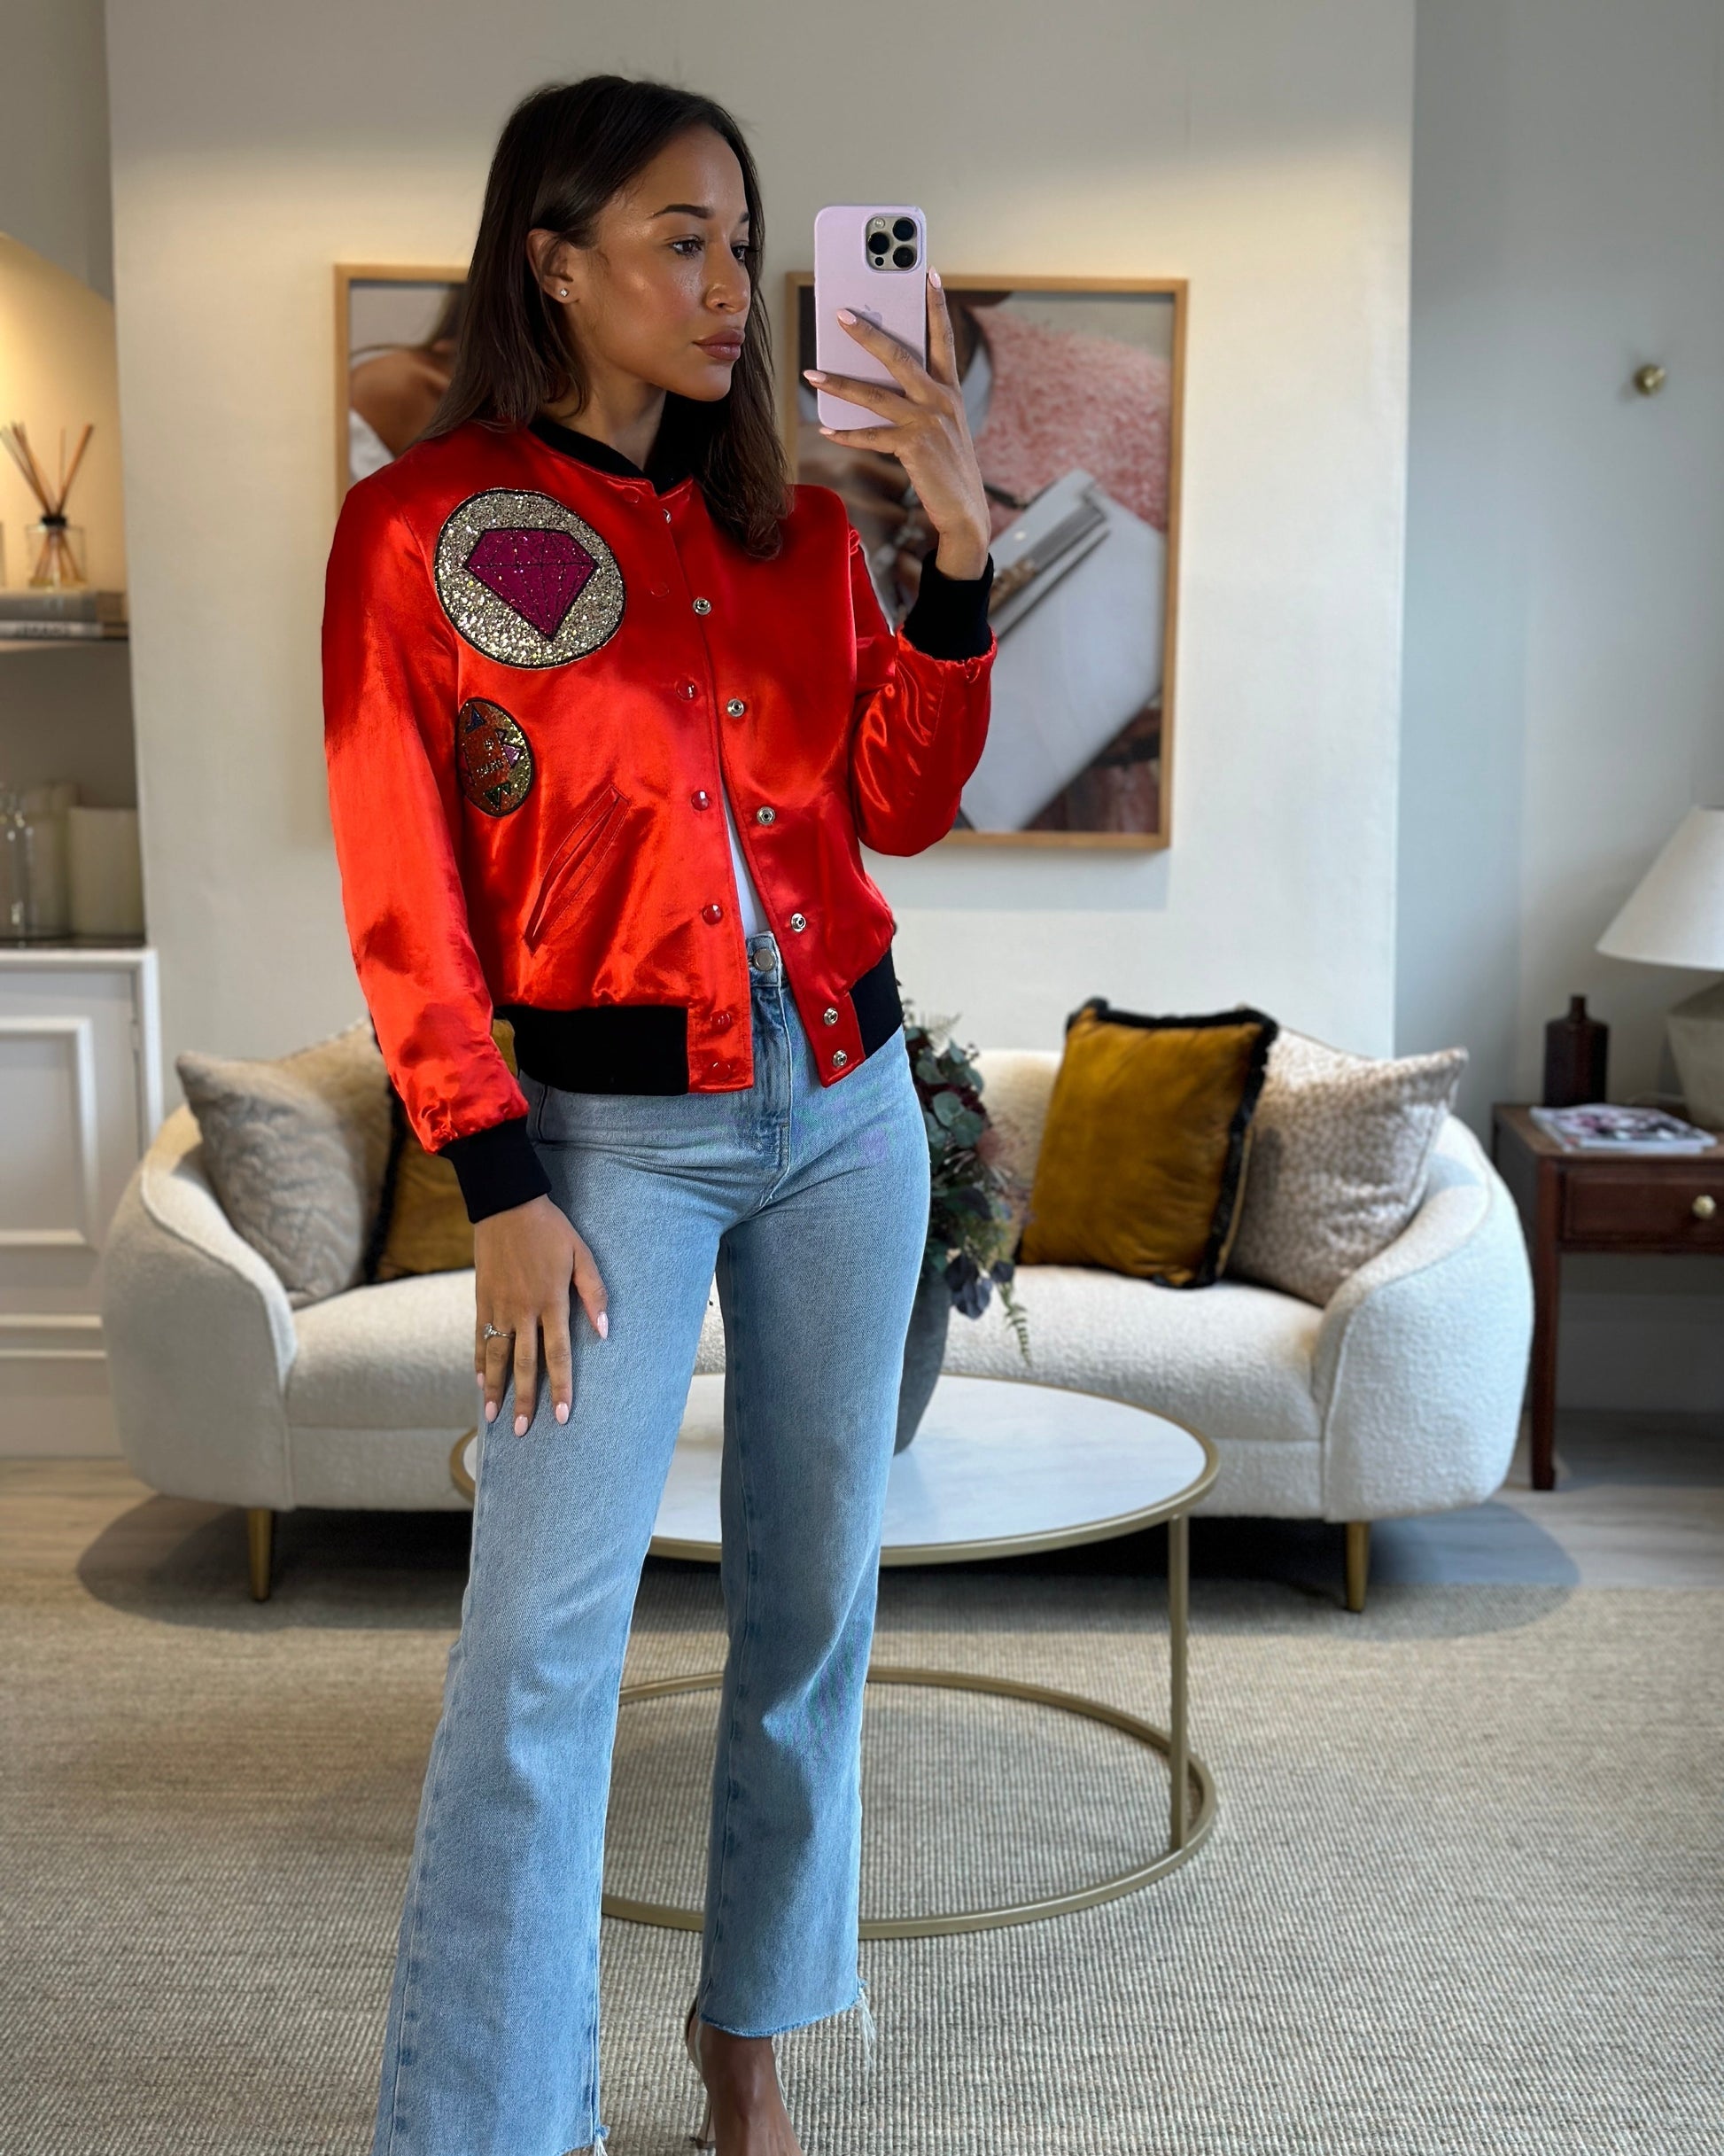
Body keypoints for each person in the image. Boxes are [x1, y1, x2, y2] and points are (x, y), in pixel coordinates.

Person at [321, 73, 996, 2156]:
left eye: (744, 244)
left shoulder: (797, 531)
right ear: (553, 259)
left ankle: (748, 2041)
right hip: (602, 1147)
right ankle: (488, 2122)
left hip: (851, 1115)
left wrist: (958, 551)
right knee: (536, 1657)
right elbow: (405, 883)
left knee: (809, 1607)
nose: (728, 286)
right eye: (679, 241)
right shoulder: (420, 531)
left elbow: (899, 802)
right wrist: (494, 1175)